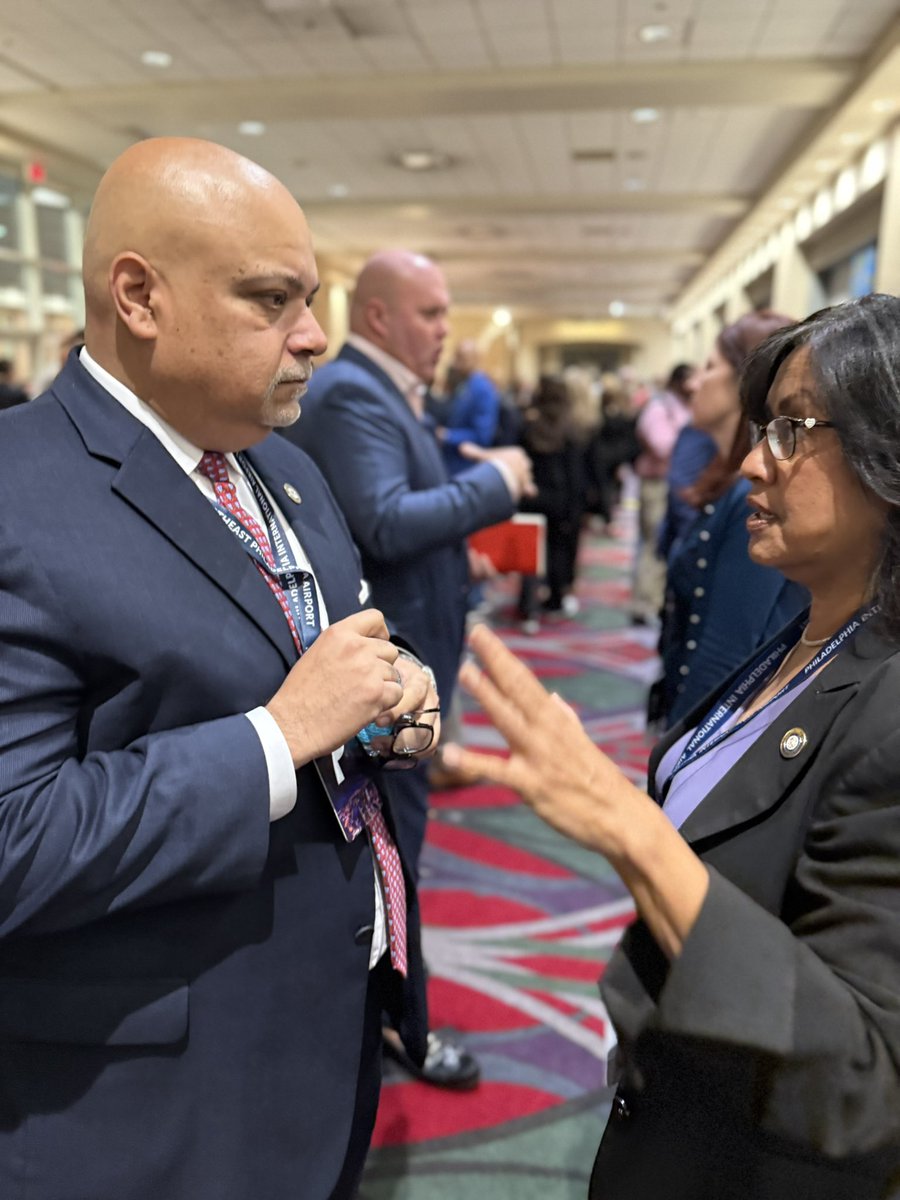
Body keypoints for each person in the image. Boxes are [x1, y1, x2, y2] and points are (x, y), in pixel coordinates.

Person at [0, 137, 438, 1200]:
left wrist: (391, 694)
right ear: (139, 297)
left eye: (315, 297)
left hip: (321, 1028)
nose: (315, 338)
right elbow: (13, 841)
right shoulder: (18, 492)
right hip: (143, 1101)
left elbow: (307, 651)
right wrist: (278, 738)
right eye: (271, 299)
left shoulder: (282, 467)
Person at [443, 293, 900, 1200]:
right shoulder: (815, 632)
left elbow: (866, 1085)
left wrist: (625, 826)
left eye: (792, 429)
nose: (752, 466)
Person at [281, 248, 533, 1087]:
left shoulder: (380, 390)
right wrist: (494, 485)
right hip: (385, 687)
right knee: (395, 864)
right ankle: (403, 1027)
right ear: (381, 315)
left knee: (395, 859)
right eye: (430, 313)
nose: (444, 331)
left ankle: (387, 1018)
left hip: (405, 674)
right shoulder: (354, 389)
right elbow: (386, 521)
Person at [654, 313, 808, 729]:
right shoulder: (728, 478)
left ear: (744, 379)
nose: (692, 383)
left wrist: (680, 757)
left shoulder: (751, 497)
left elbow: (726, 652)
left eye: (708, 368)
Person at [630, 363, 693, 624]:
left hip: (675, 483)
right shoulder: (659, 408)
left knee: (664, 543)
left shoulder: (683, 407)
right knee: (653, 543)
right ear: (679, 382)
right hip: (657, 484)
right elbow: (662, 445)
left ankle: (656, 601)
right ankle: (645, 603)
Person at [436, 338, 501, 475]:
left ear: (476, 358)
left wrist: (448, 436)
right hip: (452, 463)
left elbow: (483, 435)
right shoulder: (464, 384)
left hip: (466, 465)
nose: (456, 361)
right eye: (457, 356)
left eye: (462, 357)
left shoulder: (482, 388)